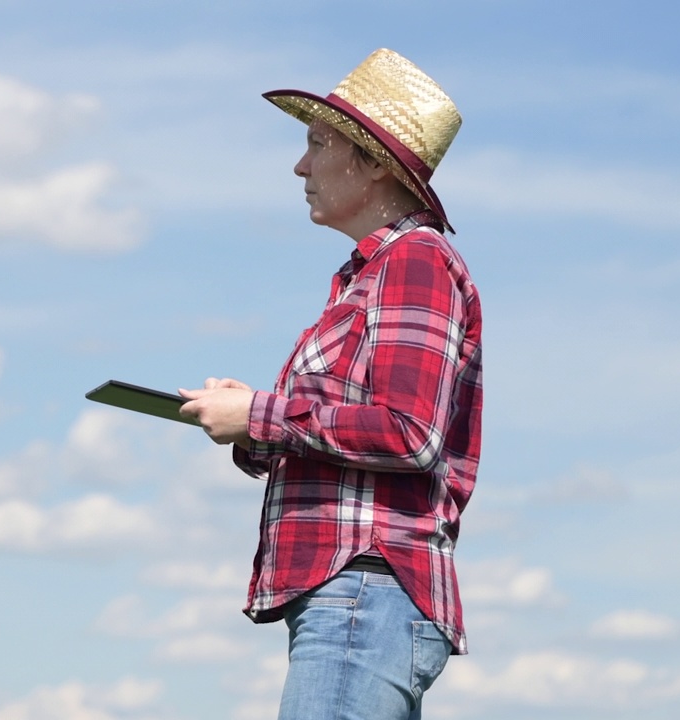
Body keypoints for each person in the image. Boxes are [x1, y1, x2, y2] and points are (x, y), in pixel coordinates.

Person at [178, 49, 482, 720]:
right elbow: (349, 429)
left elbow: (409, 433)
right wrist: (247, 421)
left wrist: (259, 414)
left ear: (372, 164)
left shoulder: (415, 263)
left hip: (364, 594)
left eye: (318, 144)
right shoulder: (367, 278)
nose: (300, 165)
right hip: (352, 599)